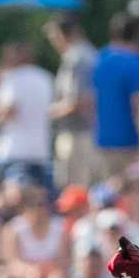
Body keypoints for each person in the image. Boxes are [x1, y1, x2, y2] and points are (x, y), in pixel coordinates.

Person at [0, 42, 54, 186]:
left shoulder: (12, 80)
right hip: (40, 152)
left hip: (13, 152)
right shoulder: (46, 78)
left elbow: (8, 112)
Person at [91, 13, 139, 180]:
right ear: (138, 35)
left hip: (101, 139)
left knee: (107, 193)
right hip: (129, 142)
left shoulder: (99, 59)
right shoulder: (137, 63)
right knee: (130, 195)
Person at [45, 14, 98, 189]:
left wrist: (46, 113)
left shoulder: (77, 58)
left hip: (78, 134)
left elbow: (78, 101)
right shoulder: (88, 54)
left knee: (75, 189)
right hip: (85, 133)